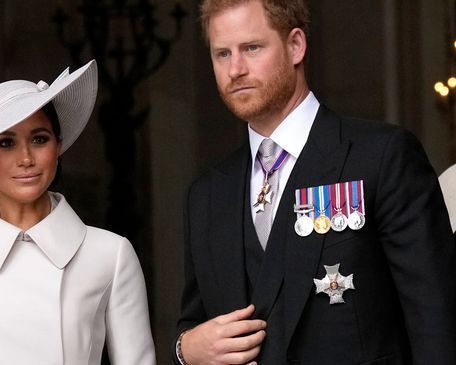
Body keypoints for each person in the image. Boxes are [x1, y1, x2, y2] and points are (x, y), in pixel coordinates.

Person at [174, 1, 456, 364]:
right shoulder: (206, 196)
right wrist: (183, 350)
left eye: (252, 48)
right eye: (222, 54)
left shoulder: (382, 158)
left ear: (296, 46)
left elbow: (437, 324)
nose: (235, 69)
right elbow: (194, 325)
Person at [0, 60, 156, 365]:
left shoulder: (111, 255)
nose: (26, 158)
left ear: (58, 145)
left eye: (39, 139)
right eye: (6, 142)